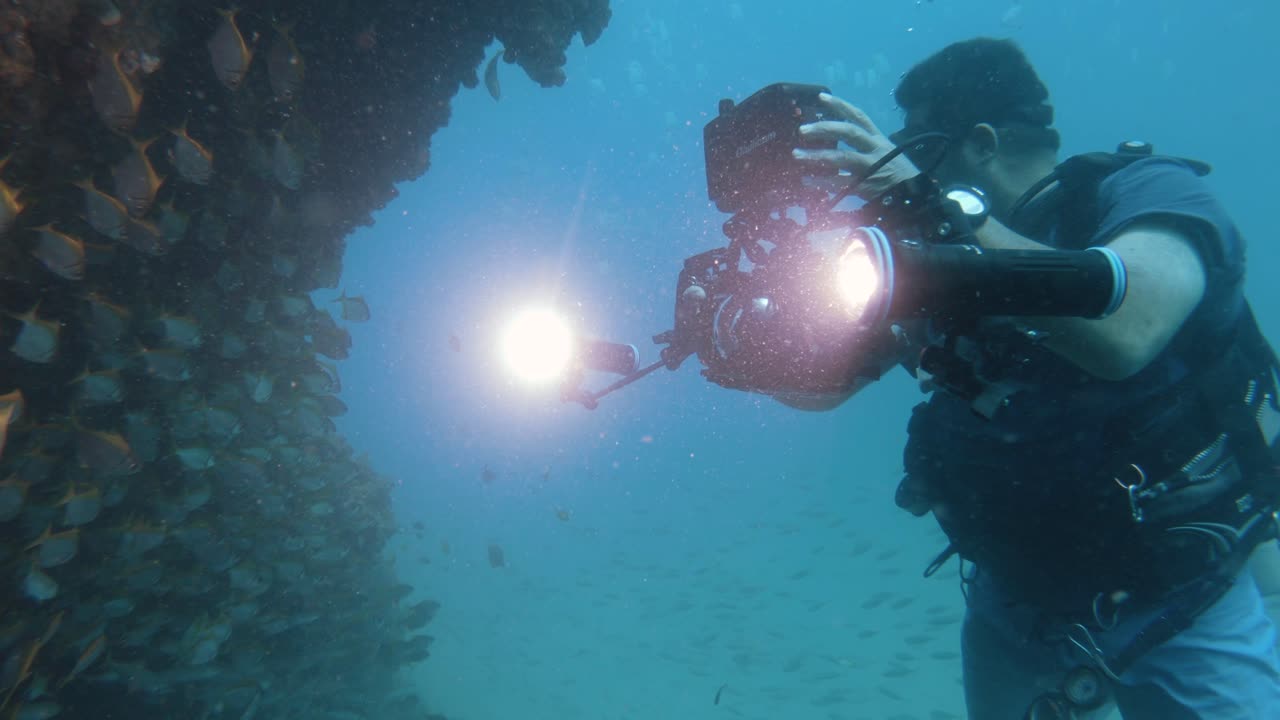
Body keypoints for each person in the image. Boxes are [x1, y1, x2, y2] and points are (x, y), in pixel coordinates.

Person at [780, 38, 1280, 719]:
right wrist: (726, 327)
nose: (905, 172)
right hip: (1012, 597)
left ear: (982, 143)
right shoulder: (940, 251)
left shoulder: (1147, 193)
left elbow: (1126, 335)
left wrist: (942, 212)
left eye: (922, 148)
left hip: (1178, 596)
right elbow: (818, 386)